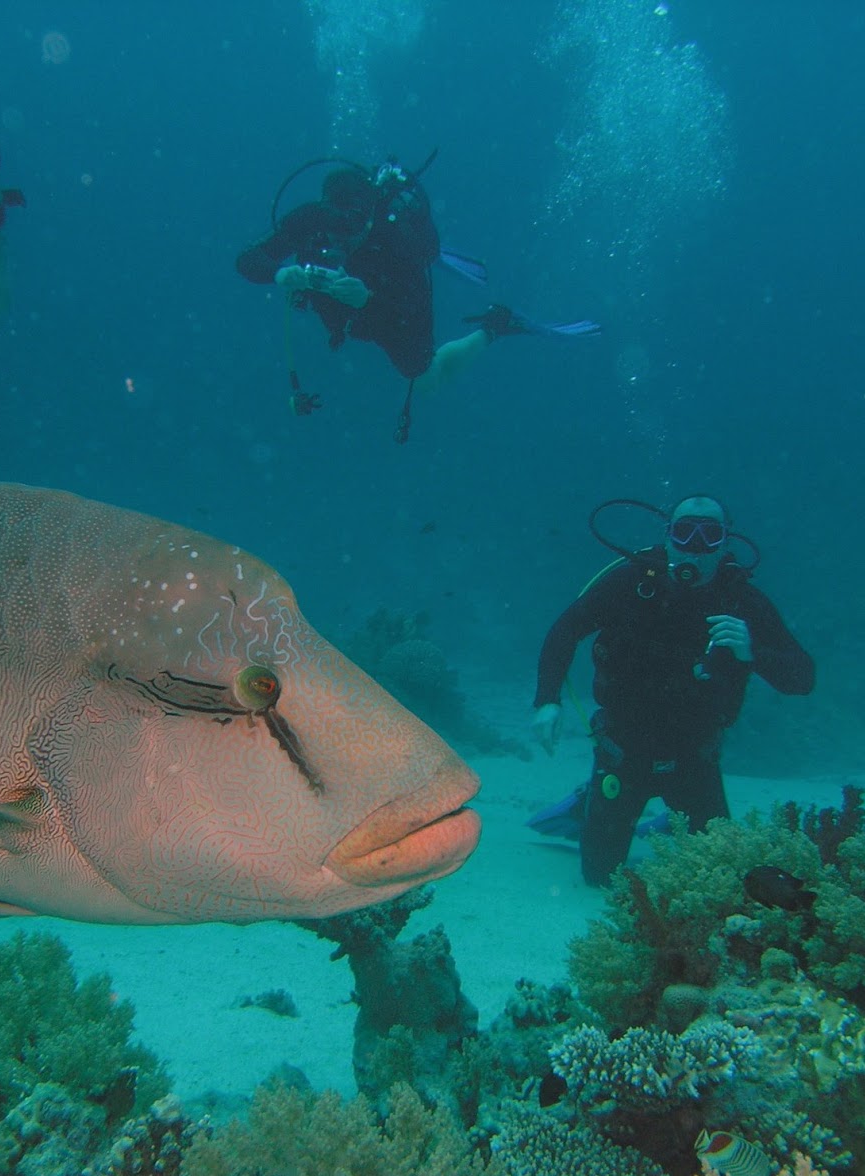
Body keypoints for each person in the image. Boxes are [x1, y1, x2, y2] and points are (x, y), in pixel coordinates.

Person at [529, 495, 815, 885]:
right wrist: (547, 702)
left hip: (695, 758)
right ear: (668, 537)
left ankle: (667, 822)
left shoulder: (741, 602)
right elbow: (564, 631)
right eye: (684, 532)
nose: (694, 546)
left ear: (725, 544)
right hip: (623, 753)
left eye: (709, 535)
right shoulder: (632, 583)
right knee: (599, 877)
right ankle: (589, 803)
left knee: (722, 876)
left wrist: (752, 653)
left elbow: (802, 678)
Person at [236, 158, 599, 441]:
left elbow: (410, 310)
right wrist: (279, 273)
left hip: (391, 295)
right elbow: (249, 260)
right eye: (335, 232)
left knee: (425, 380)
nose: (343, 243)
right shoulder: (309, 220)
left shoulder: (395, 235)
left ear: (369, 219)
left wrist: (368, 300)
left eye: (353, 232)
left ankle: (496, 326)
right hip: (344, 298)